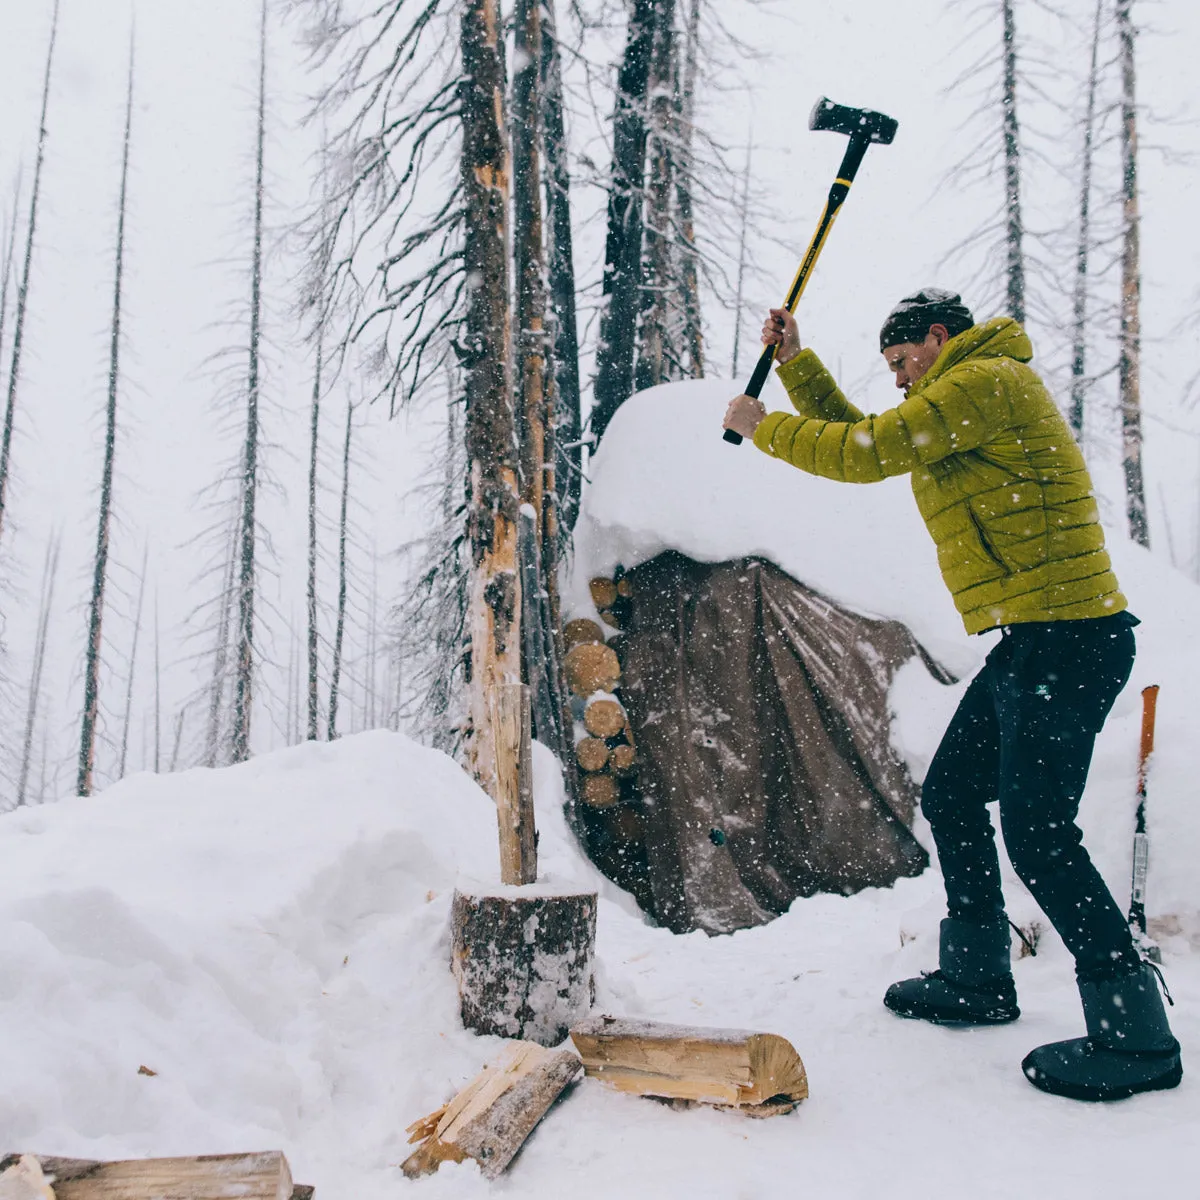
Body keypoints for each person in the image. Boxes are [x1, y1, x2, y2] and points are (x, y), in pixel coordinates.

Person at [723, 288, 1182, 1102]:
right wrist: (797, 367)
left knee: (1039, 832)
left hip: (1071, 638)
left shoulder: (988, 384)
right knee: (954, 795)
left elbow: (865, 451)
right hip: (1033, 639)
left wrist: (765, 428)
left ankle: (1137, 1035)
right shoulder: (957, 394)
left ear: (939, 341)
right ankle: (978, 979)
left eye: (903, 363)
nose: (899, 381)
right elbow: (872, 434)